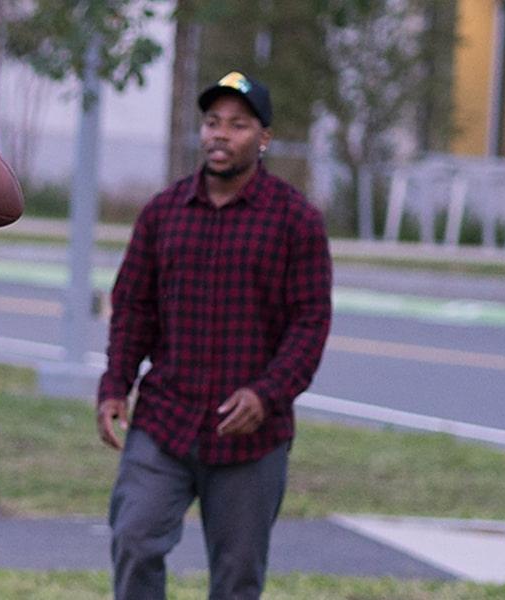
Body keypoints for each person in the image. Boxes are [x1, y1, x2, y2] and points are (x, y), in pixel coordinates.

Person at [96, 71, 333, 600]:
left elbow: (310, 325)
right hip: (165, 420)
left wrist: (266, 395)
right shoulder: (163, 213)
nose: (221, 135)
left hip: (250, 434)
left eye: (238, 125)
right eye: (212, 122)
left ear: (264, 138)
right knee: (134, 541)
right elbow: (133, 309)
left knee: (237, 578)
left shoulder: (296, 221)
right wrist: (115, 385)